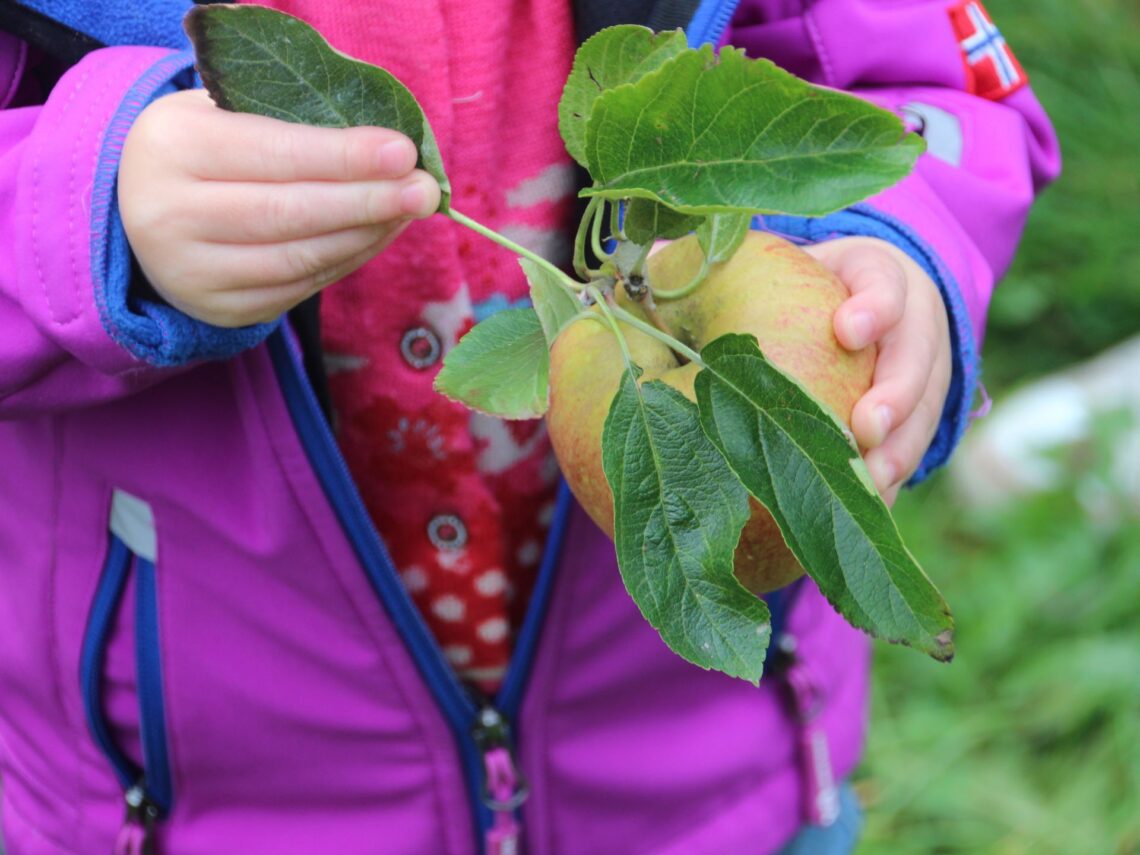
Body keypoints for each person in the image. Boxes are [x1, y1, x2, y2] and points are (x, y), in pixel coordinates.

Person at [0, 0, 1058, 852]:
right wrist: (80, 209)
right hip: (204, 805)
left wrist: (898, 248)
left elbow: (922, 86)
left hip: (701, 795)